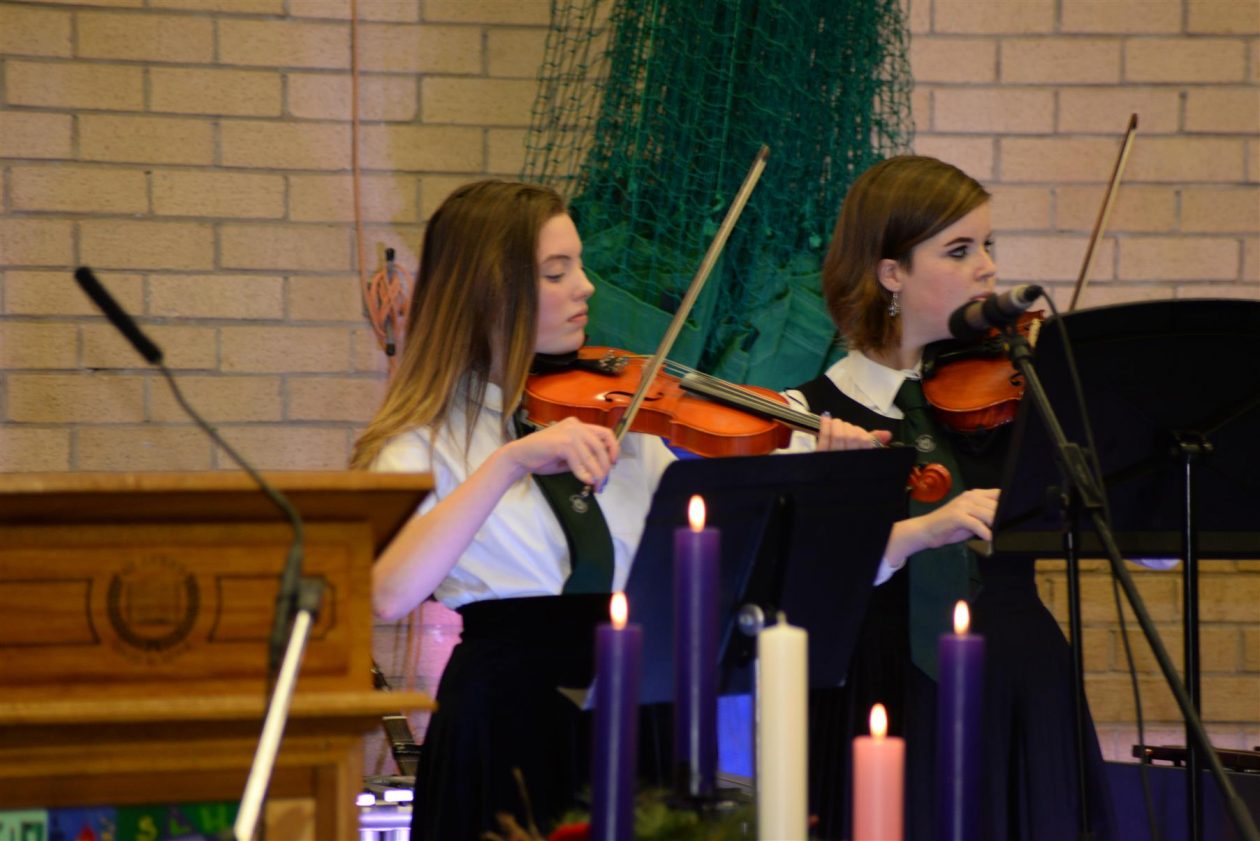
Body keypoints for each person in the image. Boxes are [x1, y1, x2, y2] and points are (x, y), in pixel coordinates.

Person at [356, 179, 883, 838]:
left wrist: (826, 474)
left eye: (579, 265)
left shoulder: (624, 421)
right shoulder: (422, 442)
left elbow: (730, 559)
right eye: (556, 272)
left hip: (637, 710)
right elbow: (389, 593)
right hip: (508, 719)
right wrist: (510, 462)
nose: (586, 287)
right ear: (489, 290)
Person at [784, 155, 1115, 841]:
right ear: (891, 273)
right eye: (960, 250)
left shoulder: (1020, 392)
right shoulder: (804, 416)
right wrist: (917, 530)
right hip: (883, 688)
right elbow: (800, 591)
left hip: (1020, 678)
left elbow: (1144, 541)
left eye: (988, 245)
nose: (987, 269)